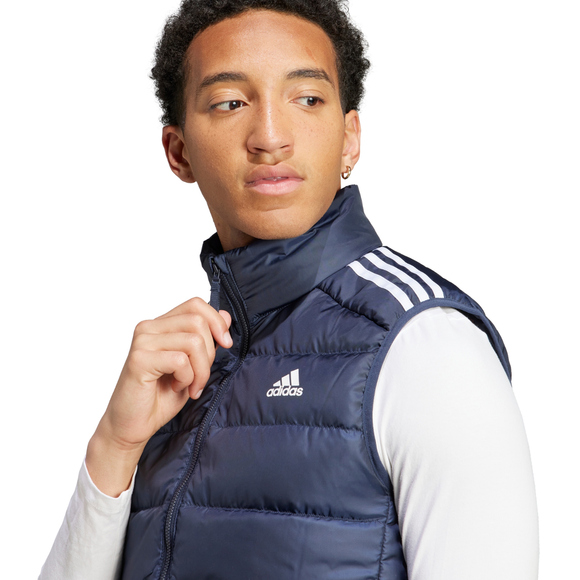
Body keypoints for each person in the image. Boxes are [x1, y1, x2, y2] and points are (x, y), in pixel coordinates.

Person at [40, 0, 539, 578]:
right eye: (231, 103)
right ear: (179, 153)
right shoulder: (180, 371)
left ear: (349, 139)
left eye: (306, 99)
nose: (270, 137)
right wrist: (115, 447)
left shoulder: (426, 346)